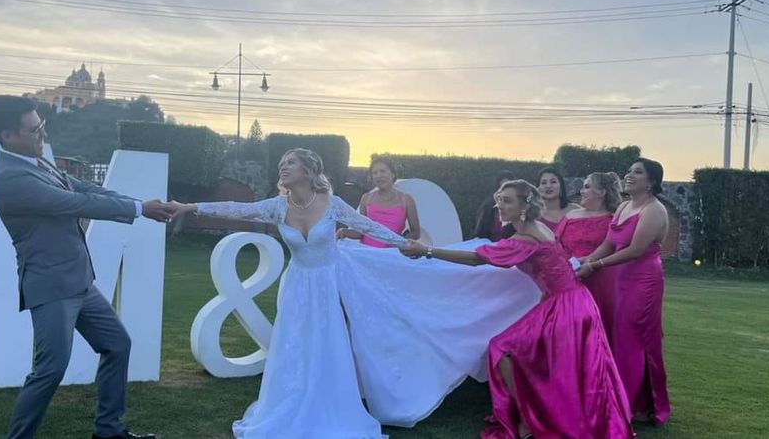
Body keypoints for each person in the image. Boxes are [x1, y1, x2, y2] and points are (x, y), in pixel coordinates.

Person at [169, 149, 542, 435]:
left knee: (327, 345)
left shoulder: (331, 204)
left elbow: (368, 227)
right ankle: (285, 406)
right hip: (297, 284)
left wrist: (410, 247)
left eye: (291, 163)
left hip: (328, 282)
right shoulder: (277, 206)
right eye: (282, 163)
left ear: (309, 171)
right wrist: (191, 206)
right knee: (293, 344)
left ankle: (329, 406)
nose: (283, 168)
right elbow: (237, 208)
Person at [0, 95, 168, 439]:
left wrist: (138, 203)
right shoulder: (10, 178)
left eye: (42, 126)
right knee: (50, 371)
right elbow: (74, 203)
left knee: (117, 345)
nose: (43, 134)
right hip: (52, 287)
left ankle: (108, 431)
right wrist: (141, 209)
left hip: (79, 281)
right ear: (8, 136)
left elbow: (82, 187)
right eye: (35, 129)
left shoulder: (36, 161)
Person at [402, 180, 633, 439]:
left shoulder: (526, 238)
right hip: (570, 302)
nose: (499, 205)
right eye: (499, 199)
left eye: (507, 200)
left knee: (503, 349)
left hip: (567, 307)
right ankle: (534, 416)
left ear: (525, 206)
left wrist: (428, 251)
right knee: (548, 362)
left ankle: (528, 419)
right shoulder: (537, 229)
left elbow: (479, 258)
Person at [576, 158, 671, 425]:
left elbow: (635, 250)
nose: (629, 175)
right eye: (629, 171)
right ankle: (619, 399)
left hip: (644, 280)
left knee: (633, 339)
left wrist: (595, 266)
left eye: (637, 172)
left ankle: (633, 405)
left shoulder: (655, 210)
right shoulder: (625, 206)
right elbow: (609, 243)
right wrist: (586, 259)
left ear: (651, 181)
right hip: (620, 279)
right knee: (617, 336)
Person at [555, 171, 622, 338]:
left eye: (586, 187)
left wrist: (587, 261)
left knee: (596, 328)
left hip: (599, 279)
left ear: (601, 191)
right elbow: (554, 244)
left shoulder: (613, 219)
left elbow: (612, 247)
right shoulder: (570, 216)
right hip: (567, 275)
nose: (581, 191)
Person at [336, 156, 420, 245]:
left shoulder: (406, 200)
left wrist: (398, 242)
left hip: (392, 254)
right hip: (367, 253)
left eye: (382, 171)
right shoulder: (366, 198)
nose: (379, 175)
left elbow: (416, 232)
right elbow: (361, 231)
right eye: (375, 173)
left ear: (393, 174)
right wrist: (344, 231)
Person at [472, 170, 516, 241]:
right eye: (500, 187)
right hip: (488, 248)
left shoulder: (518, 211)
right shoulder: (486, 209)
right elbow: (479, 233)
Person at [537, 167, 580, 232]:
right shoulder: (534, 214)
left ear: (561, 186)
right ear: (538, 188)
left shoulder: (576, 210)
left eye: (553, 182)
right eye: (543, 183)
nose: (548, 186)